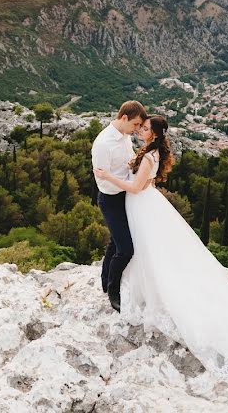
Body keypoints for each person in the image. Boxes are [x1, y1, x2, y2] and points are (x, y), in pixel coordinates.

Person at [95, 115, 228, 376]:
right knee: (132, 246)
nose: (140, 130)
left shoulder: (149, 156)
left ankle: (136, 289)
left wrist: (107, 177)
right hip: (144, 205)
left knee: (143, 249)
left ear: (155, 135)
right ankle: (118, 283)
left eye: (145, 128)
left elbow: (136, 187)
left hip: (140, 202)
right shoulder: (149, 150)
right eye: (140, 126)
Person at [91, 100, 148, 312]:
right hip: (110, 199)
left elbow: (128, 163)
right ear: (124, 118)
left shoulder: (124, 137)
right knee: (126, 249)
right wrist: (130, 184)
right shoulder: (104, 143)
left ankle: (105, 280)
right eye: (135, 125)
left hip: (125, 195)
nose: (136, 130)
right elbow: (102, 180)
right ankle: (113, 292)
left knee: (115, 242)